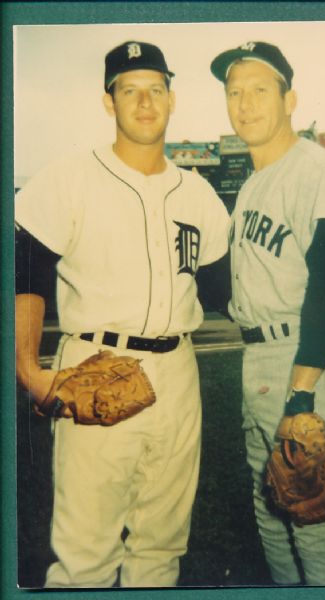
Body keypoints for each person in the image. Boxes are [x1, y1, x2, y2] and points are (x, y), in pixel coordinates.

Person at [15, 40, 230, 588]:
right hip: (96, 360)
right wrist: (28, 370)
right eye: (128, 90)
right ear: (108, 102)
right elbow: (27, 271)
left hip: (179, 370)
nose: (143, 102)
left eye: (155, 89)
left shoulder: (200, 193)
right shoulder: (68, 177)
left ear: (172, 100)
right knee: (85, 553)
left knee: (162, 546)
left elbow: (224, 288)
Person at [211, 41, 325, 585]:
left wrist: (303, 395)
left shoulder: (318, 171)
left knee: (313, 519)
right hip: (261, 357)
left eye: (259, 90)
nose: (245, 104)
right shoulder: (252, 185)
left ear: (290, 98)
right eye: (234, 93)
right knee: (272, 516)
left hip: (307, 358)